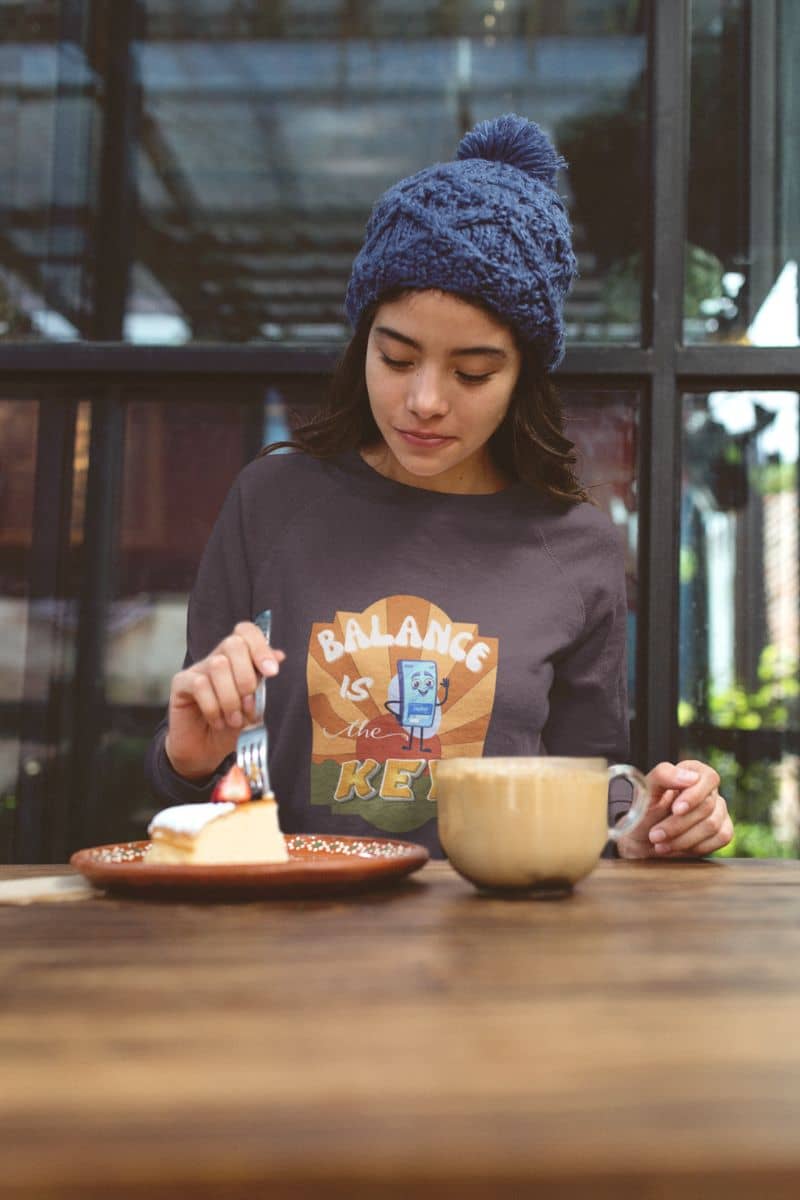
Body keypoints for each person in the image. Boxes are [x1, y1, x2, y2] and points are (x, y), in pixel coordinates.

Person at [145, 114, 733, 861]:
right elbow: (199, 783)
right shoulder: (272, 502)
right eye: (396, 359)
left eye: (474, 372)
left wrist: (656, 820)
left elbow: (594, 786)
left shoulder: (575, 547)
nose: (425, 400)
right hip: (288, 941)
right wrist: (187, 755)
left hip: (495, 946)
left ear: (523, 377)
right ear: (363, 344)